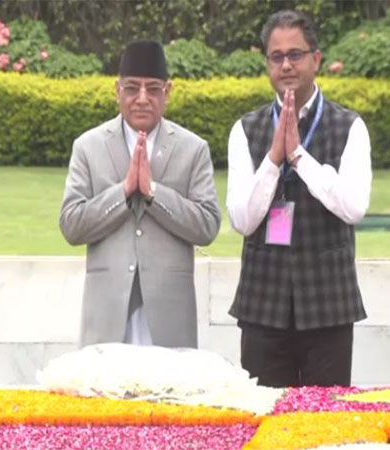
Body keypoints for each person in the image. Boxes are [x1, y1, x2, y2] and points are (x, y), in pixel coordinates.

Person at [226, 10, 372, 387]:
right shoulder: (245, 130)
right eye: (277, 57)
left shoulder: (349, 126)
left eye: (296, 54)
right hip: (263, 306)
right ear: (267, 64)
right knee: (264, 425)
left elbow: (354, 207)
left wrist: (300, 158)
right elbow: (242, 220)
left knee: (324, 429)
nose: (286, 65)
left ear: (316, 59)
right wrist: (274, 159)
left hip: (328, 305)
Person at [60, 40, 221, 348]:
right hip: (107, 316)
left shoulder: (193, 149)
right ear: (117, 90)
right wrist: (122, 192)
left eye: (154, 89)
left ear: (168, 91)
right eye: (132, 88)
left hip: (168, 318)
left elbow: (208, 225)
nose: (142, 99)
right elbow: (71, 224)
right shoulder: (88, 146)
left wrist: (153, 193)